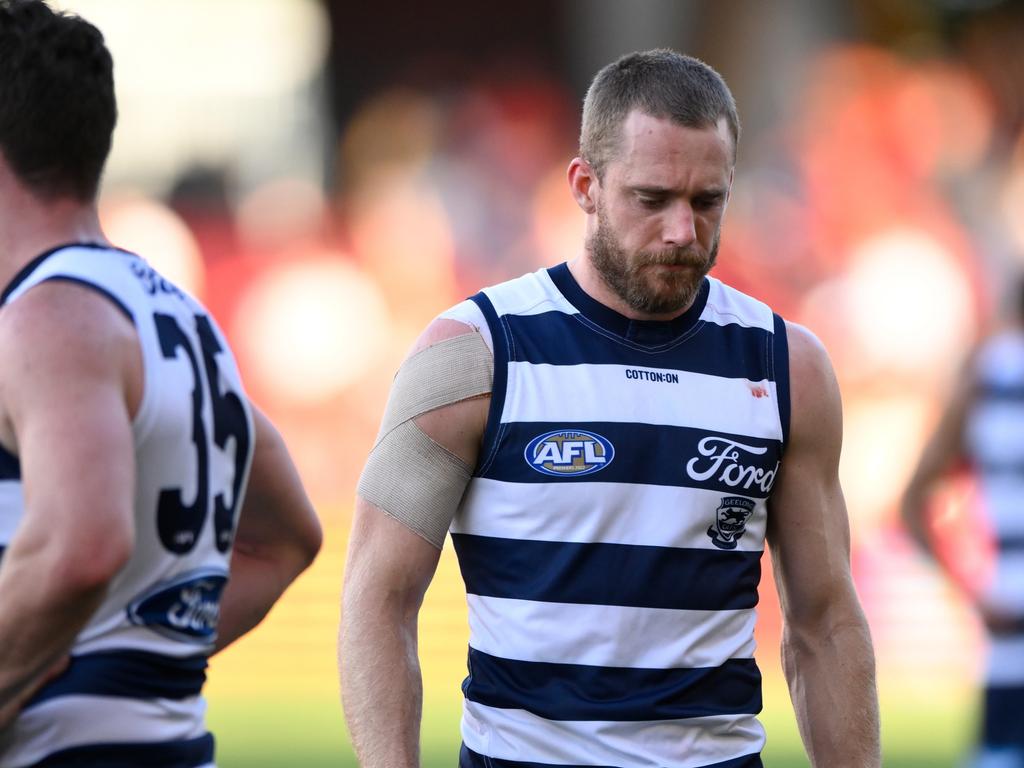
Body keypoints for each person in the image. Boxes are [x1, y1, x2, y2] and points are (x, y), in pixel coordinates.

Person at [340, 49, 880, 768]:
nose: (683, 231)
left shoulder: (787, 366)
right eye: (652, 199)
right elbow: (376, 597)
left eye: (707, 201)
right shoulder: (474, 354)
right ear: (584, 185)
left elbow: (825, 622)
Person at [0, 2, 322, 766]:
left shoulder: (51, 318)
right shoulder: (173, 315)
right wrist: (144, 656)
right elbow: (286, 538)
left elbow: (82, 547)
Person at [902, 281, 1024, 768]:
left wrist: (972, 592)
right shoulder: (989, 377)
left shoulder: (987, 375)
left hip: (1009, 624)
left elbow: (913, 503)